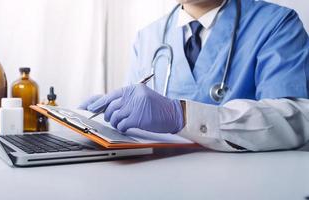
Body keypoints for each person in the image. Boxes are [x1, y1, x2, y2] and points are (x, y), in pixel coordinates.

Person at [80, 0, 309, 151]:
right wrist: (105, 119)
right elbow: (132, 127)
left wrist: (181, 115)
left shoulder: (276, 24)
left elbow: (295, 122)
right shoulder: (148, 37)